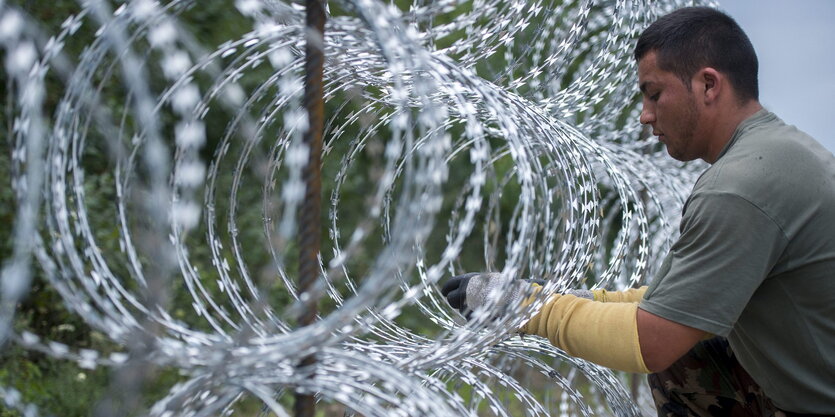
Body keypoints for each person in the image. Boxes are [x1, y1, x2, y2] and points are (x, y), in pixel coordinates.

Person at [441, 7, 835, 417]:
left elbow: (653, 340)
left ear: (708, 84)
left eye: (654, 94)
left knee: (677, 353)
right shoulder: (780, 151)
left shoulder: (740, 187)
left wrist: (525, 307)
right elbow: (676, 302)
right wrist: (584, 300)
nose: (646, 115)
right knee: (691, 355)